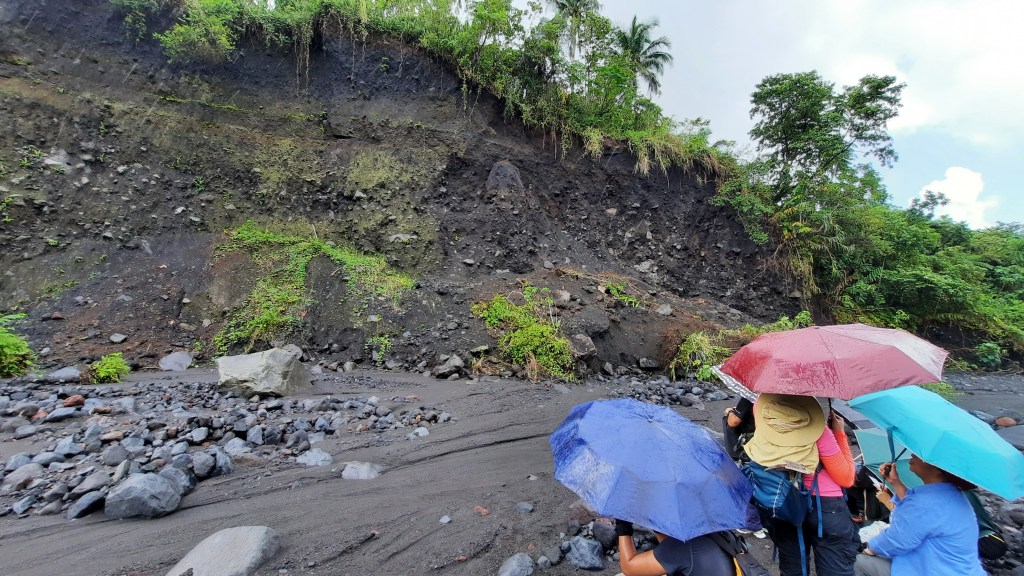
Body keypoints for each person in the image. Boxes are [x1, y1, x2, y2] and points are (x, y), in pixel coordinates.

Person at [745, 393, 859, 576]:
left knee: (793, 570)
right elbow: (846, 478)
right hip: (825, 506)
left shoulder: (763, 413)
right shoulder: (819, 431)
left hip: (784, 501)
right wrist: (839, 433)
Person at [855, 455, 987, 576]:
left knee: (856, 562)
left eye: (922, 456)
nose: (913, 455)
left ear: (938, 469)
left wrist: (867, 549)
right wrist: (896, 483)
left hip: (933, 571)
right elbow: (915, 515)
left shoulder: (927, 502)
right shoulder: (950, 495)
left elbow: (898, 539)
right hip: (956, 569)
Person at [614, 520, 735, 576]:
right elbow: (670, 547)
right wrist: (656, 523)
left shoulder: (684, 546)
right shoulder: (714, 528)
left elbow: (629, 568)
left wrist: (623, 526)